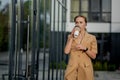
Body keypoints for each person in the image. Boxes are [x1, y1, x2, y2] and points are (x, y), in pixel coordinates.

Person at [64, 15, 98, 80]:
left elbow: (94, 56)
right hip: (72, 69)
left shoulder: (92, 38)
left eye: (81, 22)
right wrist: (71, 37)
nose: (78, 24)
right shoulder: (70, 36)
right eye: (76, 22)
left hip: (85, 70)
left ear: (85, 24)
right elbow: (66, 51)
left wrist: (85, 48)